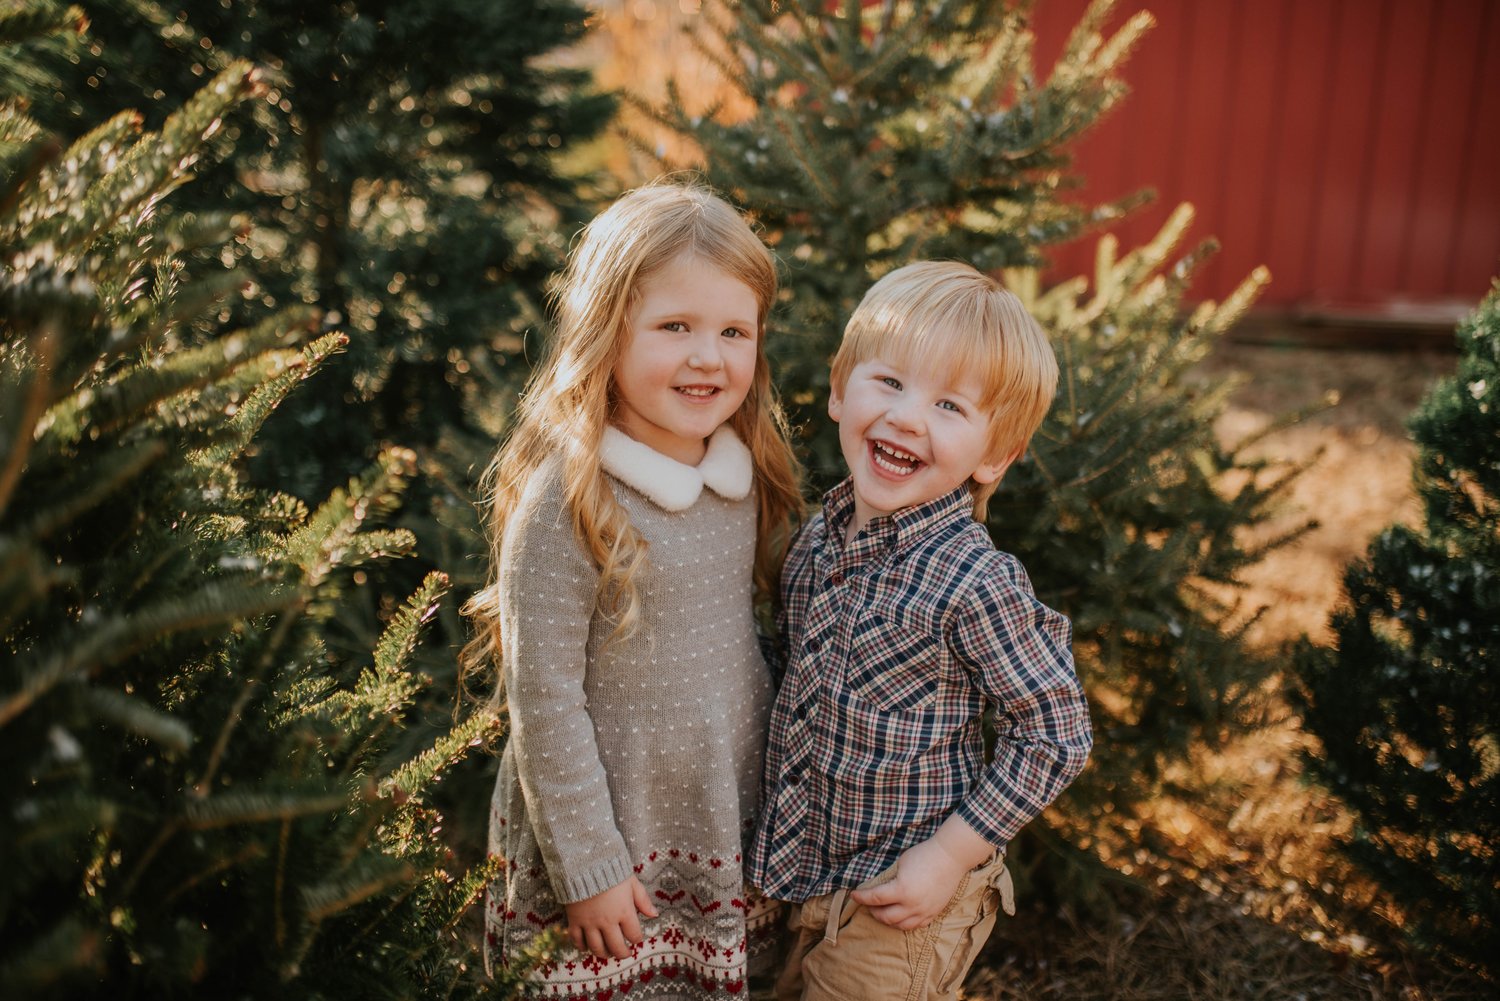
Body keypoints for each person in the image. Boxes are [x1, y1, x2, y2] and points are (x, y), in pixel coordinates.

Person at [461, 179, 802, 999]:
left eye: (733, 330)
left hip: (719, 812)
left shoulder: (742, 472)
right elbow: (542, 697)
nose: (707, 356)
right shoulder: (570, 497)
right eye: (675, 327)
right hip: (614, 834)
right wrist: (589, 866)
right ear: (606, 332)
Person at [748, 261, 1094, 1000]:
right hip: (805, 874)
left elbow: (1056, 732)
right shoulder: (814, 542)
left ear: (994, 455)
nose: (907, 417)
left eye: (949, 405)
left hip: (907, 897)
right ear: (840, 389)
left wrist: (947, 855)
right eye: (891, 383)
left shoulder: (975, 581)